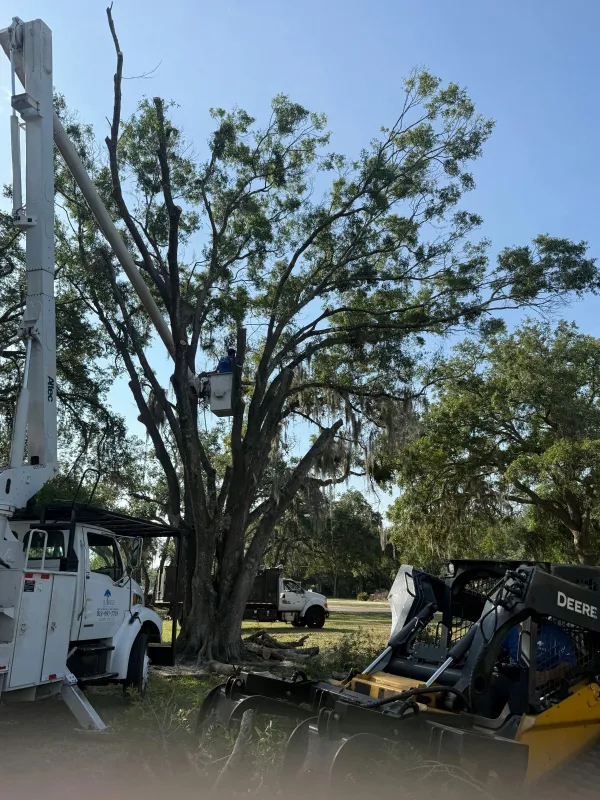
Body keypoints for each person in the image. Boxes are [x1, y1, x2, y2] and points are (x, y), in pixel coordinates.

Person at [500, 620, 577, 686]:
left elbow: (569, 664)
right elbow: (497, 650)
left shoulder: (555, 634)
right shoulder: (512, 630)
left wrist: (547, 675)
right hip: (515, 678)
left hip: (546, 686)